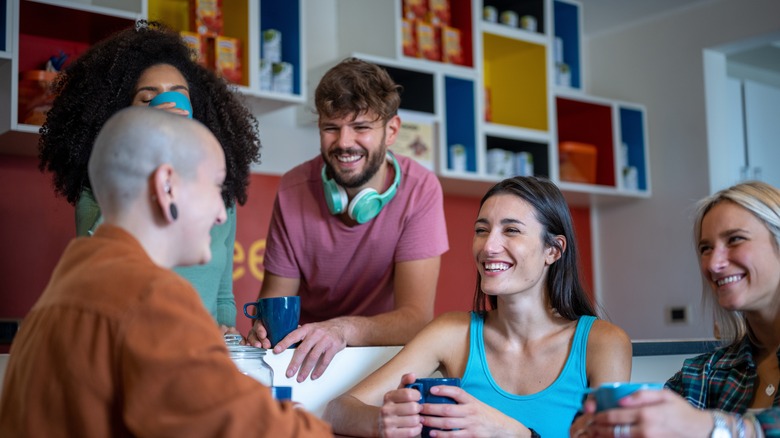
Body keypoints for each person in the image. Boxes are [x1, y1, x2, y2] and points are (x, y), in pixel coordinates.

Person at [0, 107, 330, 437]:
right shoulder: (149, 299)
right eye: (217, 187)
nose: (221, 213)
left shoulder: (59, 295)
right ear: (167, 186)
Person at [322, 176, 632, 437]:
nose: (488, 246)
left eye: (511, 230)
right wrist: (383, 422)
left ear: (553, 250)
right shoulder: (452, 332)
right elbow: (337, 410)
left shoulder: (603, 343)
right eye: (482, 230)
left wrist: (513, 433)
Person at [37, 20, 261, 332]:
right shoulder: (101, 193)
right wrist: (149, 149)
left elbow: (223, 295)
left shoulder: (217, 196)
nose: (168, 105)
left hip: (200, 356)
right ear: (121, 116)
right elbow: (96, 270)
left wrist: (225, 330)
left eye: (179, 95)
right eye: (148, 98)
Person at [248, 57, 449, 382]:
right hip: (306, 360)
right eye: (331, 127)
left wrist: (342, 330)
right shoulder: (292, 189)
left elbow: (416, 319)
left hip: (381, 359)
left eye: (361, 127)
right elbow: (275, 304)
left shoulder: (421, 189)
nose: (343, 142)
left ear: (391, 130)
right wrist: (264, 329)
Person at [573, 181, 780, 438]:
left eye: (735, 239)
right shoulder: (701, 376)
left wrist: (716, 427)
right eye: (706, 248)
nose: (714, 263)